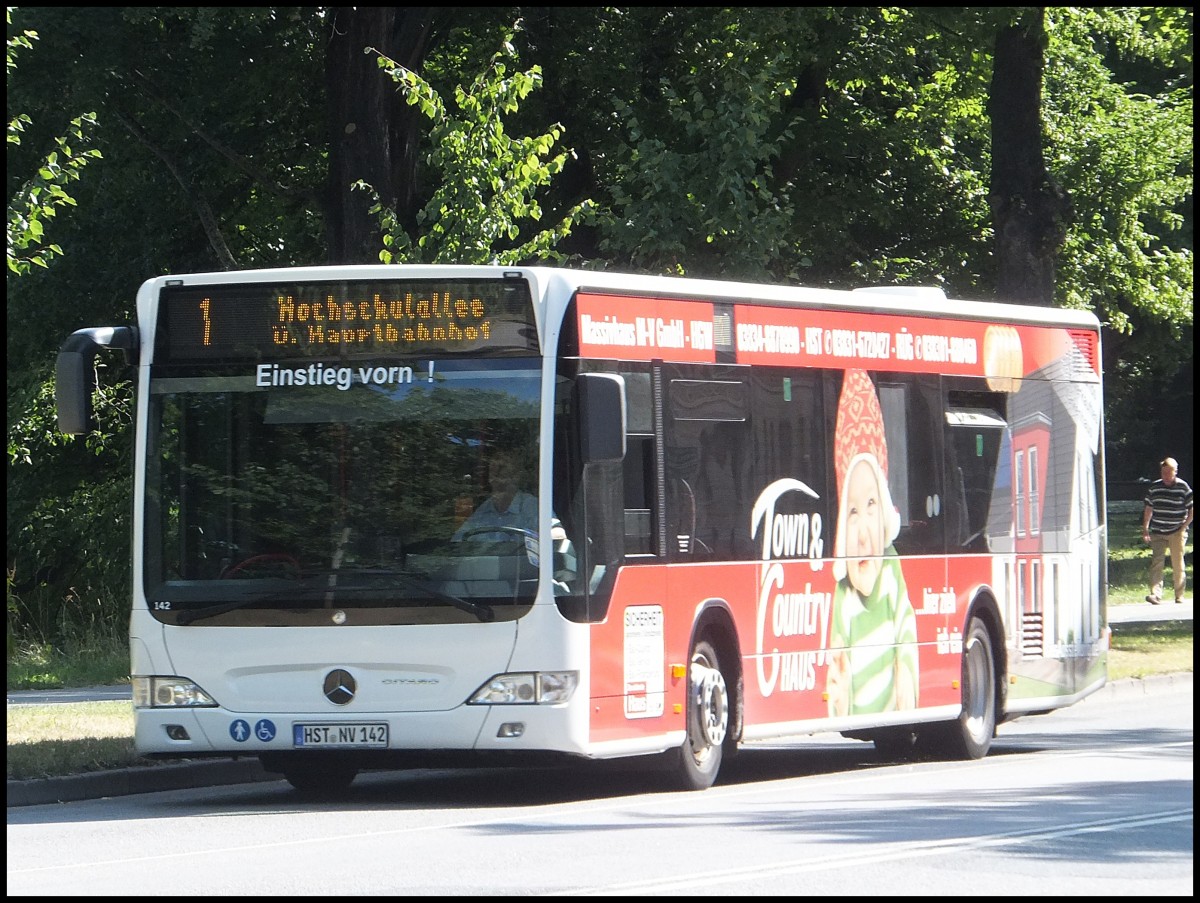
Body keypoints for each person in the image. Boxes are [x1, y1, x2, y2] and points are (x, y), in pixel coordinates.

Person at [825, 369, 919, 718]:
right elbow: (838, 653)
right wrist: (838, 690)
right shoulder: (843, 594)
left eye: (870, 506)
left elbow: (906, 627)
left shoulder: (891, 569)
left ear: (885, 518)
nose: (863, 532)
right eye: (851, 512)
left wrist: (906, 676)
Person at [453, 451, 538, 541]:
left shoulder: (533, 507)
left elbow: (552, 538)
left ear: (516, 478)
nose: (496, 481)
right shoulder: (484, 509)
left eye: (502, 475)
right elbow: (458, 542)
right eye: (493, 475)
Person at [1141, 456, 1193, 605]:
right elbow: (1148, 508)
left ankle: (1179, 595)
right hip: (1158, 530)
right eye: (1163, 474)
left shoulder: (1183, 487)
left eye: (1169, 474)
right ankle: (1155, 594)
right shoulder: (1155, 487)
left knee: (1178, 564)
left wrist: (1183, 527)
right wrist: (1145, 528)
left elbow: (1192, 509)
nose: (1166, 477)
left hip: (1177, 531)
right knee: (1157, 562)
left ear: (1175, 472)